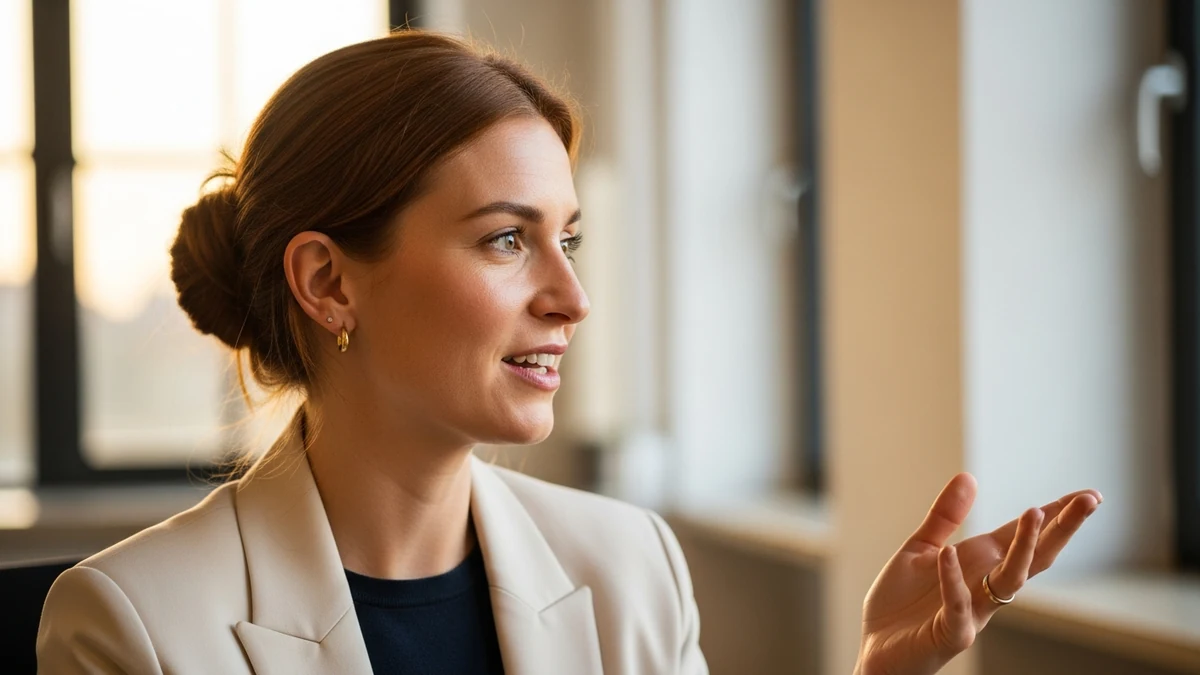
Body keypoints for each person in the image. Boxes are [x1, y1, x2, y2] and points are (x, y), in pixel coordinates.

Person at [35, 30, 1101, 675]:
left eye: (568, 239)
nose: (573, 299)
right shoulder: (136, 625)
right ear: (328, 282)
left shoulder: (629, 564)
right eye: (507, 239)